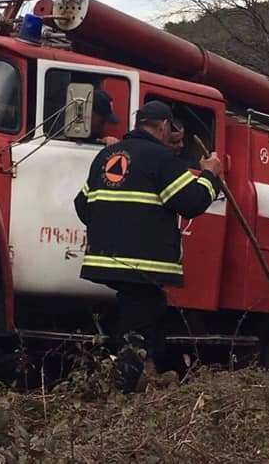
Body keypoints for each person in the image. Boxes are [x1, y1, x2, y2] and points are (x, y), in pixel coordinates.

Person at [73, 100, 223, 392]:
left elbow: (82, 205)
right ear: (165, 126)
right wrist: (210, 176)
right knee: (142, 323)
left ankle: (132, 376)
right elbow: (191, 202)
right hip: (142, 265)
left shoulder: (106, 156)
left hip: (104, 261)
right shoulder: (161, 158)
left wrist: (111, 226)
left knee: (142, 317)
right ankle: (120, 390)